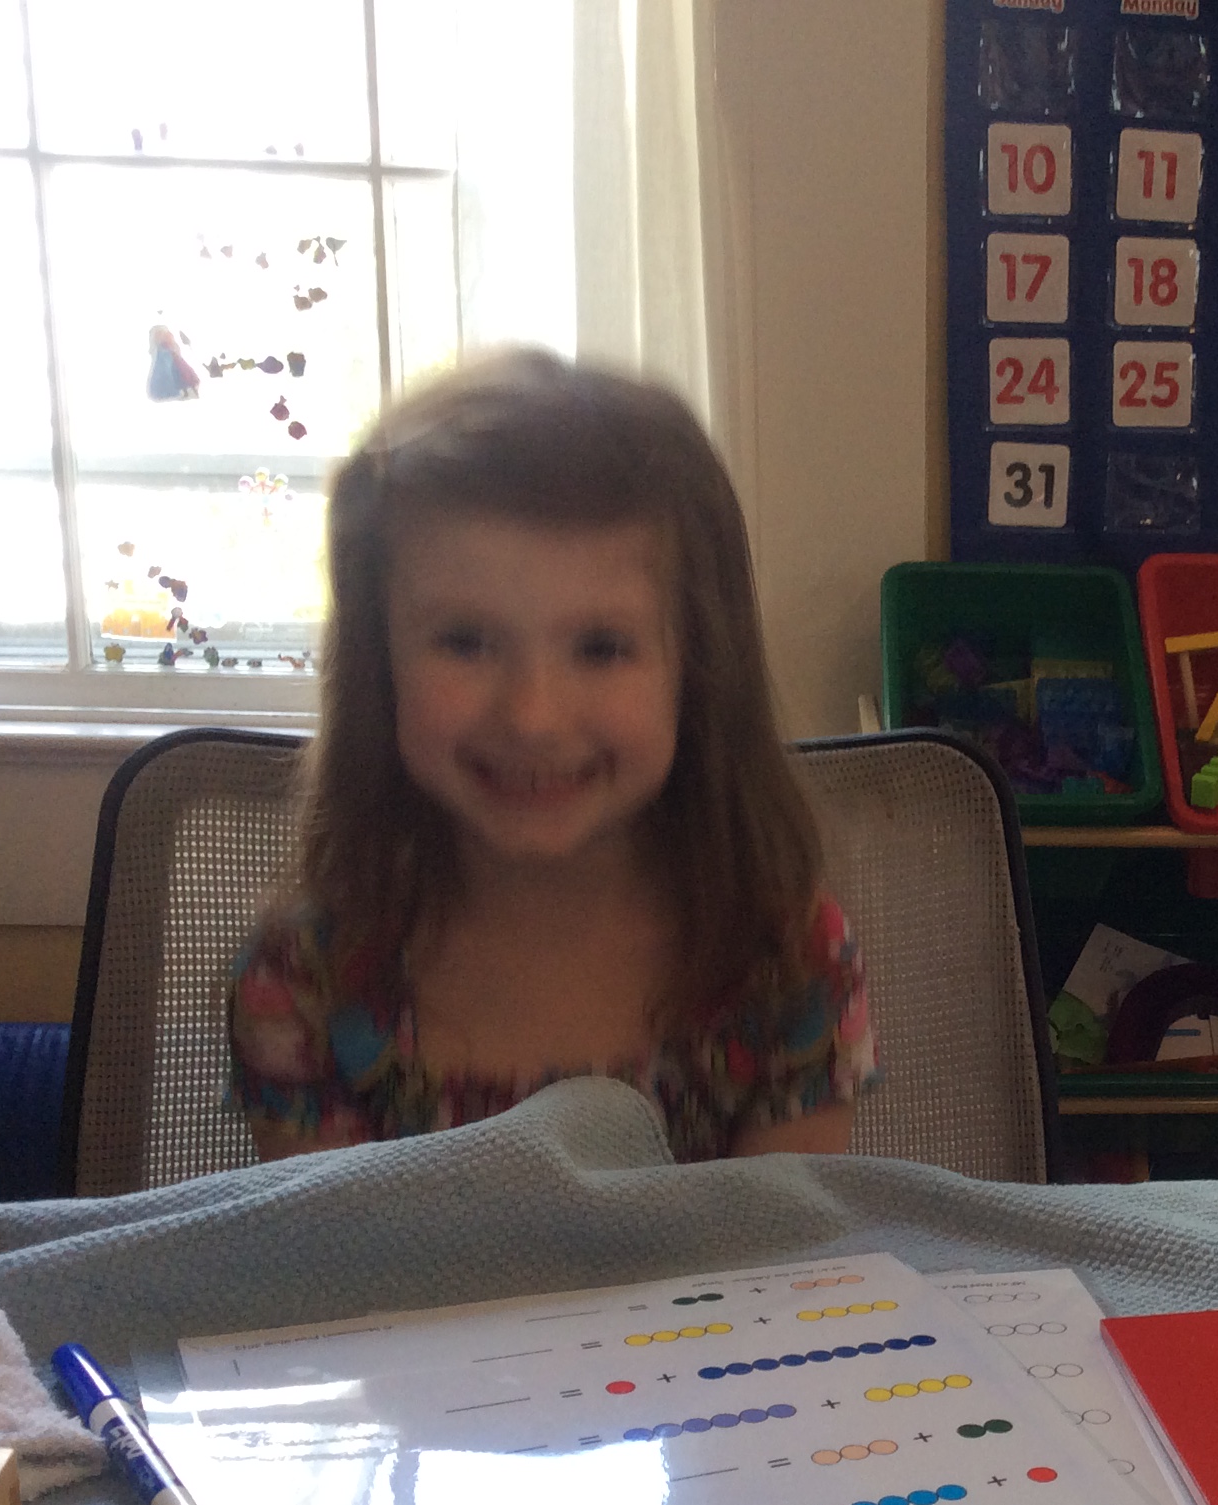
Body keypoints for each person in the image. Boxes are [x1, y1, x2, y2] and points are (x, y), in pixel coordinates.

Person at [228, 348, 876, 1162]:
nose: (532, 717)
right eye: (465, 641)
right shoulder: (308, 978)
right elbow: (334, 1244)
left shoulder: (782, 956)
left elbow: (787, 1241)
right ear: (377, 667)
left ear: (698, 670)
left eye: (601, 647)